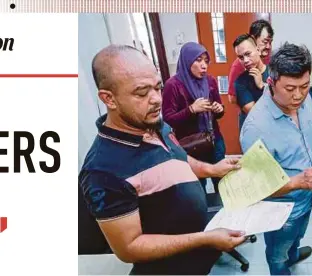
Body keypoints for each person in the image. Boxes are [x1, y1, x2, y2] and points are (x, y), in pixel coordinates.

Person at [79, 44, 247, 275]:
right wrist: (203, 239)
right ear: (109, 99)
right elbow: (129, 248)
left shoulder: (154, 124)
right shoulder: (103, 170)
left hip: (196, 262)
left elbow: (177, 159)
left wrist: (212, 169)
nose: (156, 99)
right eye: (141, 92)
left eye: (157, 88)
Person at [240, 42, 312, 275]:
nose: (299, 95)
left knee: (297, 237)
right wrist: (297, 182)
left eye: (304, 86)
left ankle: (293, 254)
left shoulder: (304, 101)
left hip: (306, 199)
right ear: (271, 82)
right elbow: (255, 188)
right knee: (277, 254)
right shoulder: (256, 128)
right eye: (290, 88)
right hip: (280, 211)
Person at [161, 42, 226, 195]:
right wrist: (191, 110)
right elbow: (168, 119)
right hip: (191, 145)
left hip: (214, 140)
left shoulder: (210, 81)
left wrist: (219, 109)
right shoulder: (173, 85)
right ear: (187, 61)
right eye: (198, 60)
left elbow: (219, 110)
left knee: (223, 183)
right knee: (197, 187)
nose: (204, 65)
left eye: (206, 60)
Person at [228, 19, 274, 105]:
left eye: (270, 42)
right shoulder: (238, 66)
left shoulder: (272, 60)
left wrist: (263, 86)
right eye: (265, 42)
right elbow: (232, 97)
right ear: (253, 39)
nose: (268, 46)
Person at [233, 34, 269, 130]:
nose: (245, 60)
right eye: (241, 57)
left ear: (258, 50)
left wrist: (263, 86)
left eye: (248, 54)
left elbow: (285, 103)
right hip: (253, 132)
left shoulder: (275, 73)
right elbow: (255, 114)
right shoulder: (240, 82)